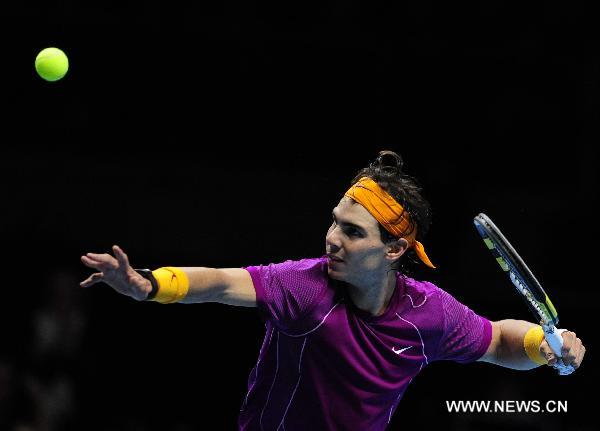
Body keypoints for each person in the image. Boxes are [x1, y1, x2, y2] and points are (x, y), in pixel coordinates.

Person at [80, 150, 586, 430]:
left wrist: (544, 347)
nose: (332, 239)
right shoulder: (304, 288)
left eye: (352, 231)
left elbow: (497, 341)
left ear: (393, 250)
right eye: (334, 222)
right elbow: (222, 282)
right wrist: (149, 285)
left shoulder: (427, 314)